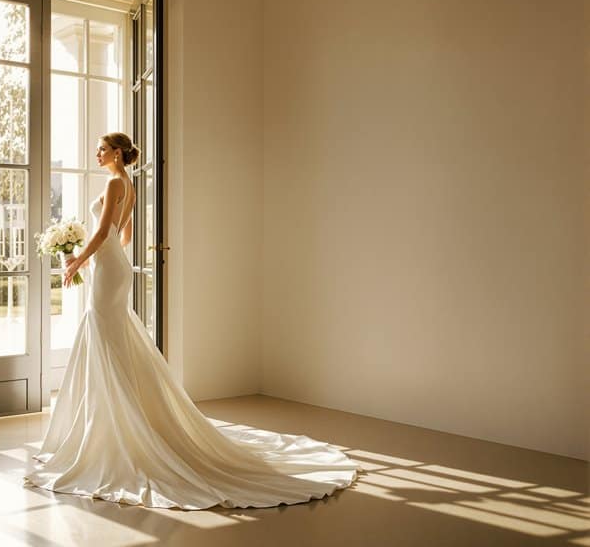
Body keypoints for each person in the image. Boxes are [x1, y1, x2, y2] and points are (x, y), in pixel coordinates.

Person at [23, 132, 359, 510]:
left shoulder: (114, 181)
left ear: (117, 153)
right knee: (112, 339)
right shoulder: (128, 184)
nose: (97, 153)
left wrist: (76, 261)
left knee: (106, 337)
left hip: (107, 269)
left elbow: (104, 232)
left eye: (102, 149)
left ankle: (111, 430)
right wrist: (101, 255)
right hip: (116, 267)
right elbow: (124, 235)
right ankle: (107, 424)